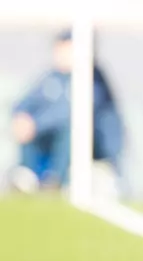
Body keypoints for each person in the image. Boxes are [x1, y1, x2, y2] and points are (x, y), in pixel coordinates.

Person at [8, 29, 125, 195]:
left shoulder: (93, 78)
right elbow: (23, 103)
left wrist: (37, 124)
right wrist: (22, 118)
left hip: (96, 146)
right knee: (25, 123)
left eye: (66, 49)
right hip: (49, 140)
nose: (60, 54)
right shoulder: (52, 77)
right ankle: (27, 175)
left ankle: (57, 180)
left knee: (71, 129)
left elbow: (74, 112)